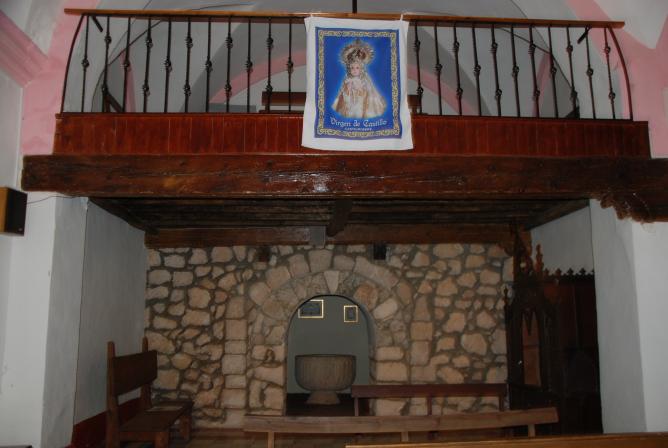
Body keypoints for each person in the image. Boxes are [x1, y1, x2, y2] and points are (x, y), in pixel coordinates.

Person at [332, 38, 386, 118]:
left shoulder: (364, 80)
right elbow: (343, 93)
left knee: (359, 113)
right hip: (349, 103)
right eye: (352, 68)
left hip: (360, 103)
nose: (354, 70)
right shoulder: (347, 79)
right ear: (349, 69)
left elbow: (366, 92)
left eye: (357, 68)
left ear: (361, 69)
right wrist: (347, 89)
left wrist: (359, 89)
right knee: (349, 114)